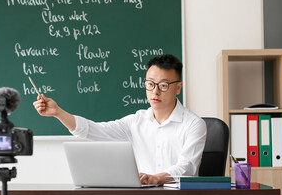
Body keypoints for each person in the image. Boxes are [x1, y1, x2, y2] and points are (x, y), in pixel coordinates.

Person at [33, 54, 207, 185]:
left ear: (178, 87)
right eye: (150, 83)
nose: (155, 91)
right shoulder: (136, 121)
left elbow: (187, 168)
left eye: (163, 85)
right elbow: (95, 130)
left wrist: (156, 178)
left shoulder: (193, 124)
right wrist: (58, 112)